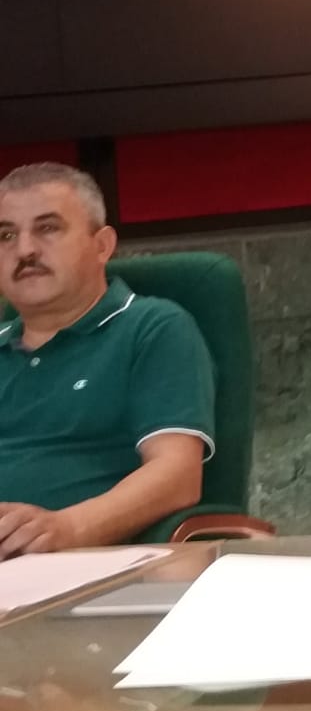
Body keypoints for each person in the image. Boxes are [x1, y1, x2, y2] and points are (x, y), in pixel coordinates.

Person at [0, 163, 214, 557]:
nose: (25, 249)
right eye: (6, 235)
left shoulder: (152, 328)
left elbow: (177, 476)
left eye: (48, 228)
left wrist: (68, 528)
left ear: (102, 245)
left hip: (81, 566)